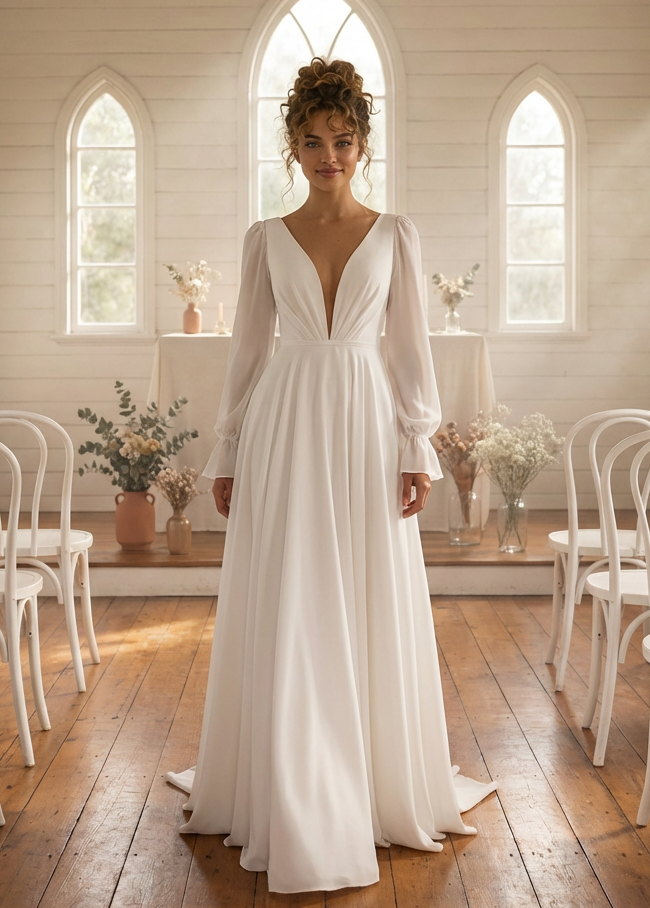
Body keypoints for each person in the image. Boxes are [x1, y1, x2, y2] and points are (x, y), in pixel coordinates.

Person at [167, 57, 496, 893]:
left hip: (362, 424)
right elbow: (245, 355)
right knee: (292, 590)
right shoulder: (264, 239)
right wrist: (229, 449)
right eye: (311, 141)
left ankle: (371, 779)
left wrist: (415, 445)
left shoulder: (395, 234)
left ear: (362, 144)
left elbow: (410, 352)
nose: (328, 156)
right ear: (291, 145)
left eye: (342, 140)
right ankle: (287, 780)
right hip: (283, 424)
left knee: (363, 588)